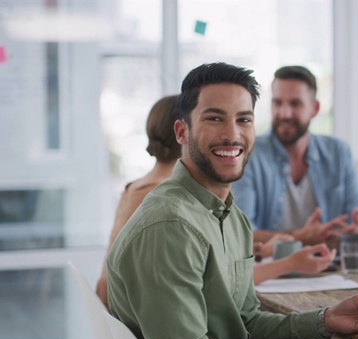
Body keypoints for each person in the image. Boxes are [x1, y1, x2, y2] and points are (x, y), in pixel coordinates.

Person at [106, 62, 358, 339]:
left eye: (244, 120)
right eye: (214, 119)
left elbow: (245, 328)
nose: (232, 135)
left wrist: (325, 320)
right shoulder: (170, 226)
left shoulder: (232, 218)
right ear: (182, 132)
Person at [97, 95, 335, 307]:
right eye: (211, 121)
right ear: (183, 132)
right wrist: (289, 263)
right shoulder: (167, 202)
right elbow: (216, 284)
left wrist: (260, 251)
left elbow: (198, 261)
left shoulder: (136, 187)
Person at [233, 65, 358, 247]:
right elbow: (240, 233)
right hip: (271, 269)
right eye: (277, 103)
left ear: (314, 109)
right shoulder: (249, 154)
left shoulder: (339, 152)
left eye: (295, 104)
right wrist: (299, 237)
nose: (285, 113)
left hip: (330, 266)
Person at [97, 94, 181, 307]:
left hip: (113, 302)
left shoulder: (137, 186)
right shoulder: (161, 195)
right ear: (184, 133)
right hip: (131, 314)